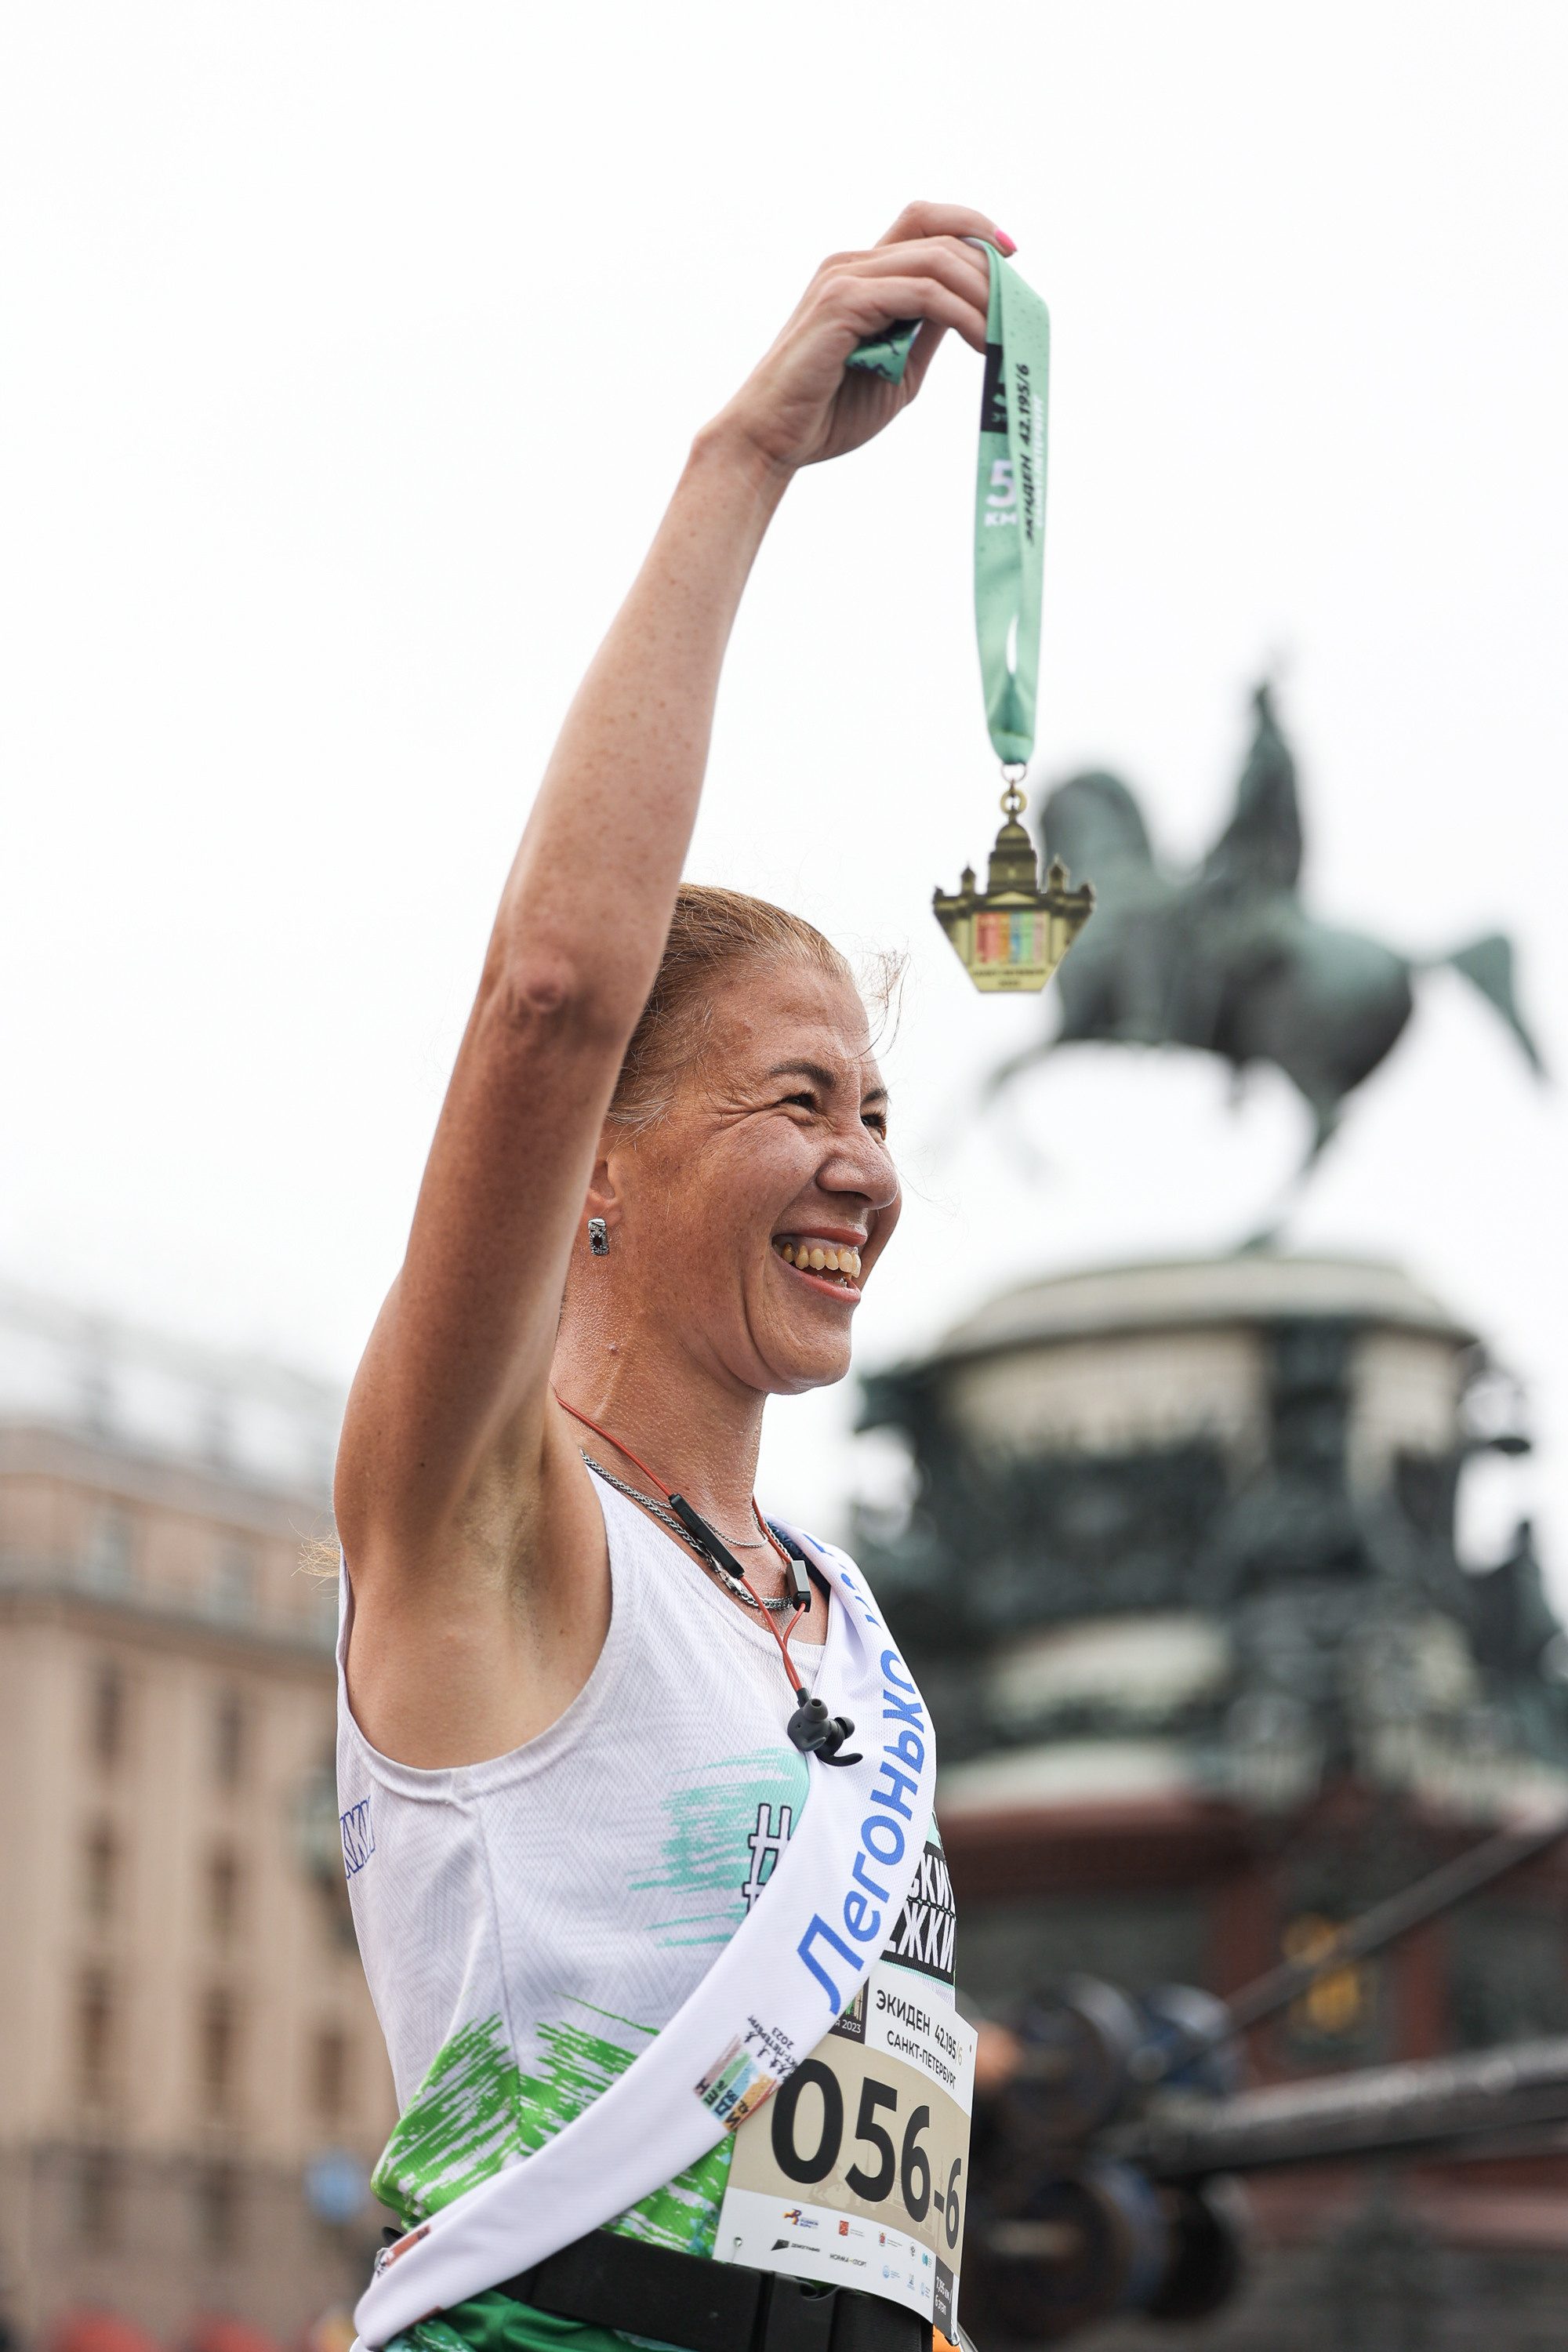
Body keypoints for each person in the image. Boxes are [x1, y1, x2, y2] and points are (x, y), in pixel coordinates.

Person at [334, 200, 1010, 2352]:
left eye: (884, 1117)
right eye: (799, 1100)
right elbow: (549, 993)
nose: (862, 1170)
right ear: (596, 1172)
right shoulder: (489, 1527)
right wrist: (748, 464)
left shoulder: (849, 1630)